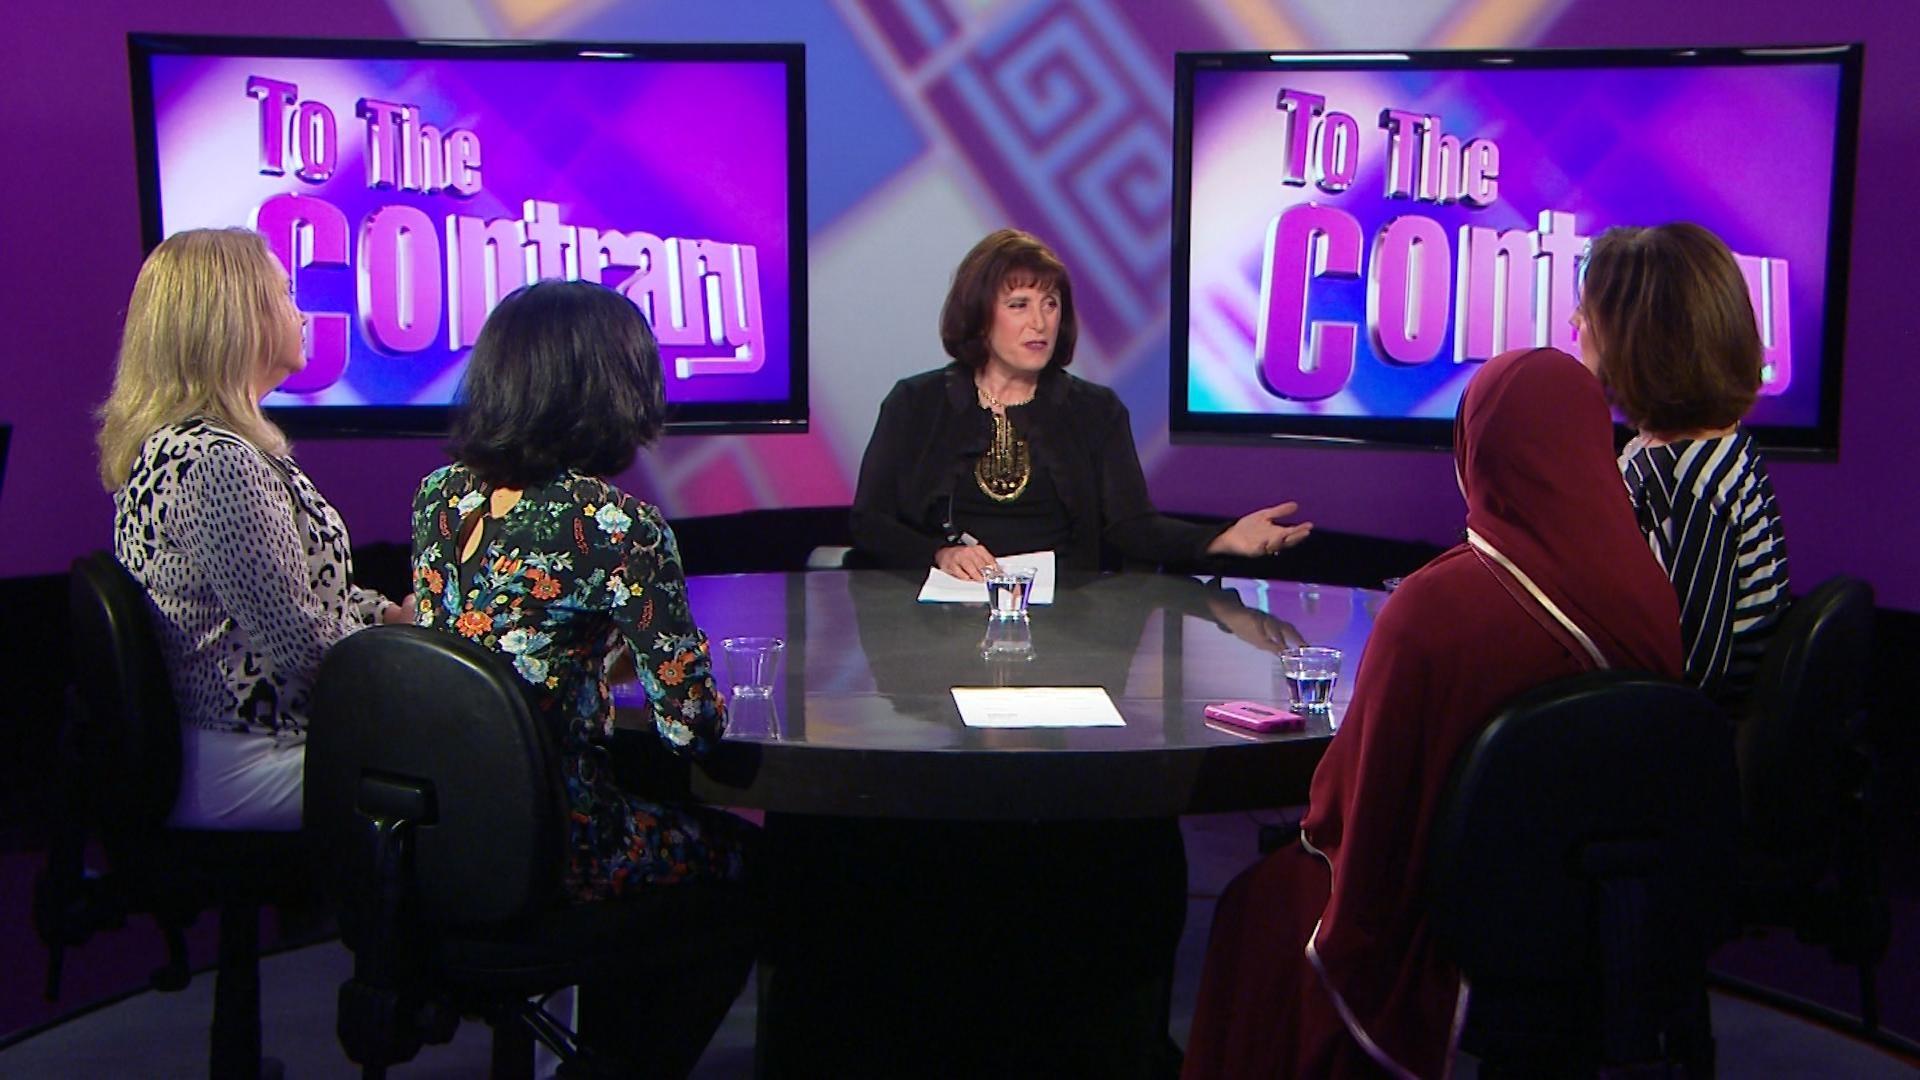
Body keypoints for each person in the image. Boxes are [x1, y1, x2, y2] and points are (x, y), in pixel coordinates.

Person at [1183, 347, 1684, 1079]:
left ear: (1476, 448)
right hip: (1609, 912)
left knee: (1256, 906)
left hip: (1448, 924)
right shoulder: (1652, 595)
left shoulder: (1433, 610)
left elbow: (1359, 811)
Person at [410, 279, 752, 1077]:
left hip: (448, 834)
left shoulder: (440, 499)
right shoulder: (616, 525)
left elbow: (495, 647)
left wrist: (592, 658)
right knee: (754, 870)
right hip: (562, 843)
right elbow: (689, 727)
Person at [99, 228, 411, 832]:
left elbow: (310, 597)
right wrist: (406, 652)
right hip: (249, 758)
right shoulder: (216, 463)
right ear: (237, 318)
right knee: (475, 763)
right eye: (285, 294)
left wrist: (387, 618)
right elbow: (302, 645)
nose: (302, 314)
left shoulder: (204, 447)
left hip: (258, 744)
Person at [851, 227, 1311, 579]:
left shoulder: (1095, 411)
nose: (1039, 322)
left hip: (1065, 619)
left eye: (1050, 304)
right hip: (943, 616)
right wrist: (940, 554)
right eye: (1019, 304)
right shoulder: (915, 404)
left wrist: (1220, 539)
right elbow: (869, 522)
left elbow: (1132, 527)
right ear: (979, 315)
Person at [1576, 222, 1791, 705]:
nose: (1575, 322)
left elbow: (1686, 676)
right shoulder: (1707, 443)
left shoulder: (1688, 486)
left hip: (1684, 735)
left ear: (1640, 340)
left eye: (1589, 314)